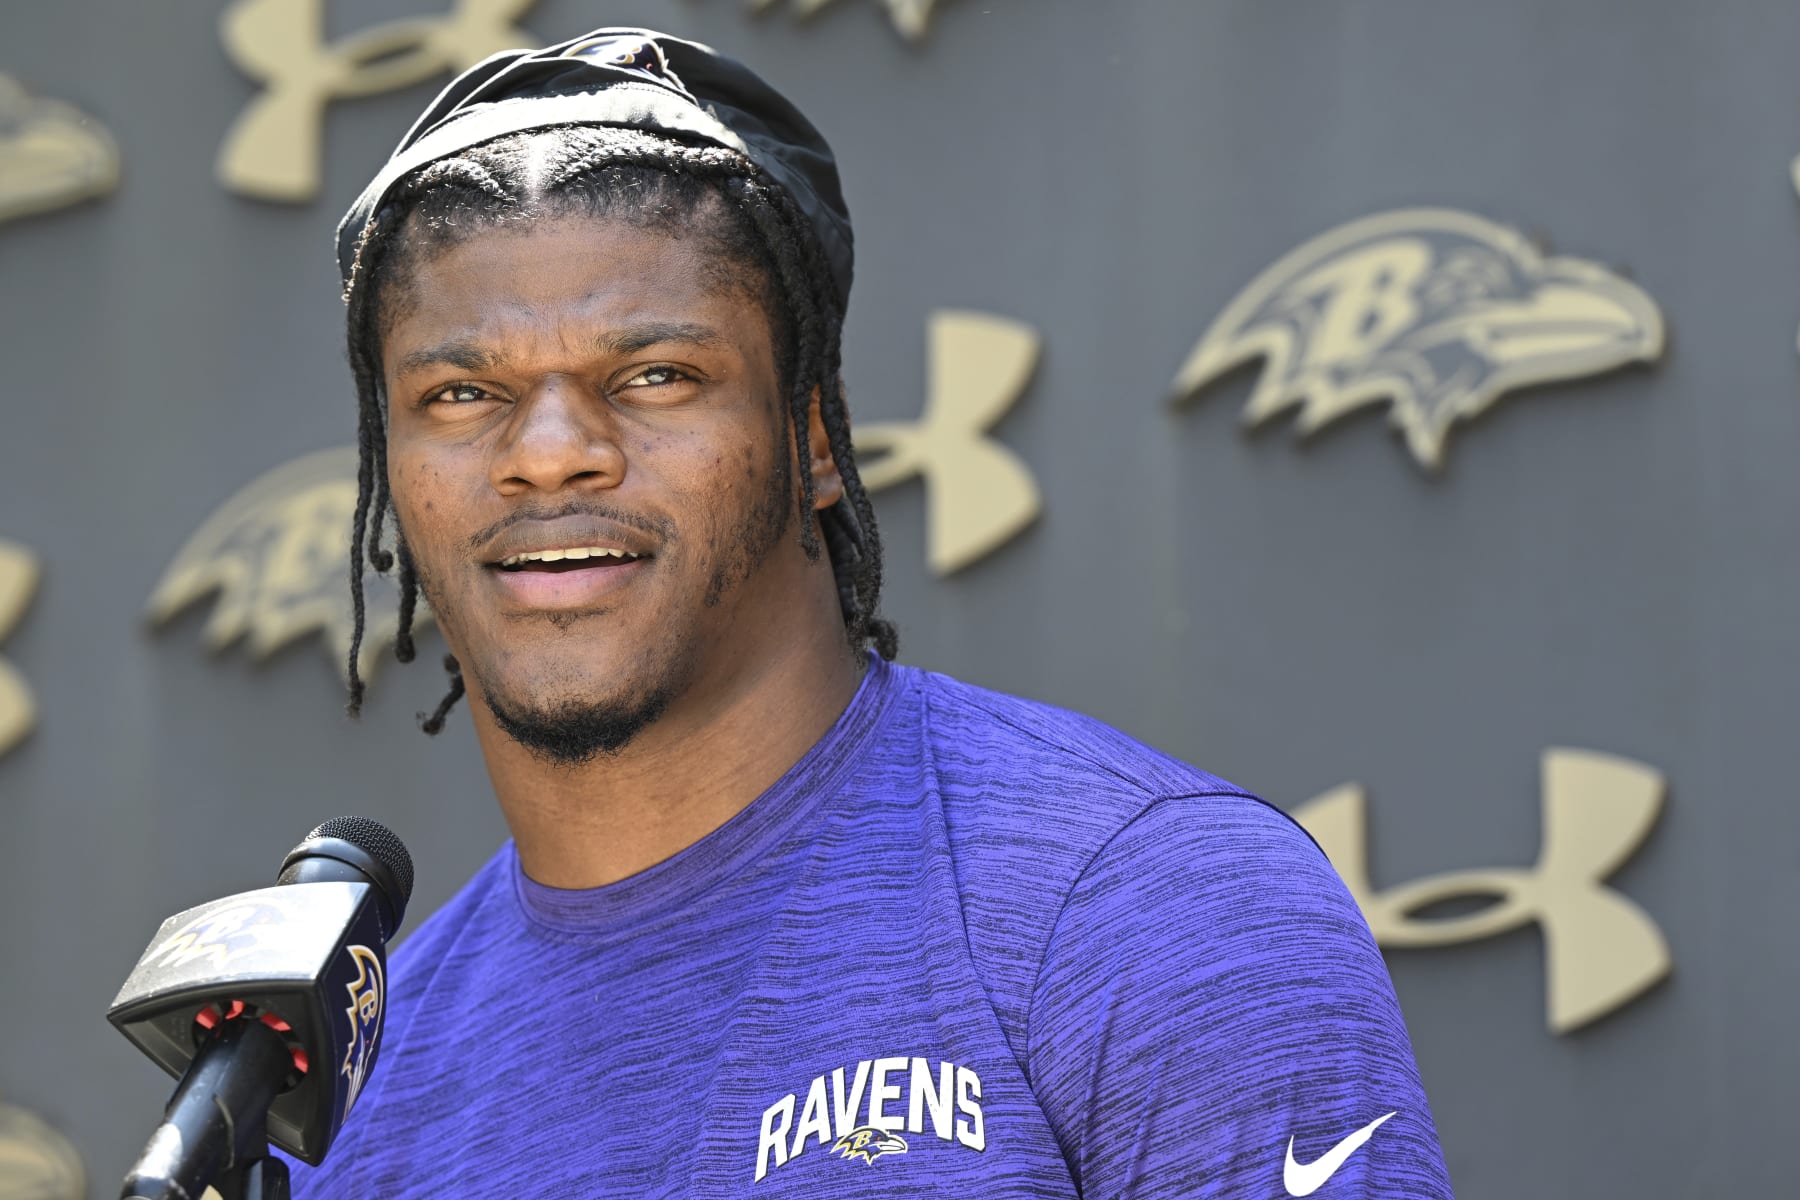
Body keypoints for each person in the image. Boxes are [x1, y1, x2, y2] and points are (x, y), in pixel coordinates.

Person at [287, 27, 1455, 1198]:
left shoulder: (1155, 904)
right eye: (461, 393)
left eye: (655, 376)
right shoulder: (352, 1100)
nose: (549, 454)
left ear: (814, 436)